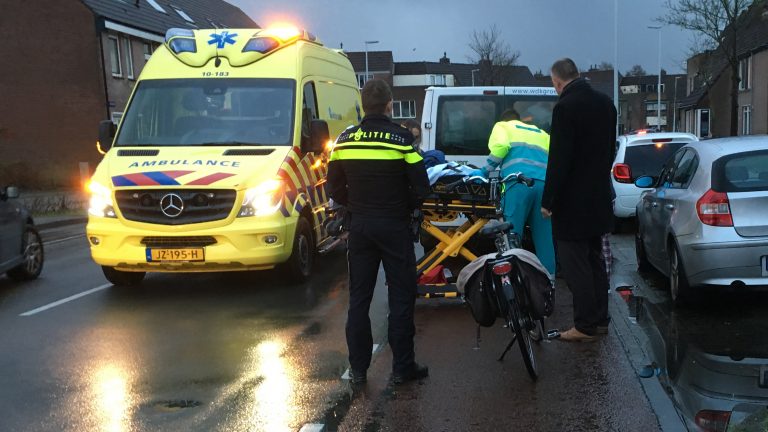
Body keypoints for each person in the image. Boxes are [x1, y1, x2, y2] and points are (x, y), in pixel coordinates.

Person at [327, 79, 431, 384]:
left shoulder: (344, 140)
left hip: (359, 226)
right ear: (389, 105)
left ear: (362, 106)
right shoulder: (401, 140)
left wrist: (356, 204)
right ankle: (403, 368)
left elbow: (333, 187)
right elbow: (421, 187)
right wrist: (404, 204)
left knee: (359, 298)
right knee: (401, 296)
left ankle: (359, 370)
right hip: (394, 225)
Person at [541, 58, 617, 342]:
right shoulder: (606, 104)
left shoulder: (565, 107)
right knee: (595, 260)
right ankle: (600, 320)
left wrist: (548, 200)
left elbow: (559, 160)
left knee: (576, 265)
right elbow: (610, 151)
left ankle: (583, 326)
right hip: (598, 196)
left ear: (557, 82)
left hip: (572, 203)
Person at [470, 109, 556, 276]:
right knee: (545, 239)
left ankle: (515, 280)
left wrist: (484, 171)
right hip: (544, 186)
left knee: (512, 236)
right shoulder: (541, 133)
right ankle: (549, 282)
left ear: (505, 120)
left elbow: (501, 147)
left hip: (518, 184)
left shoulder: (503, 126)